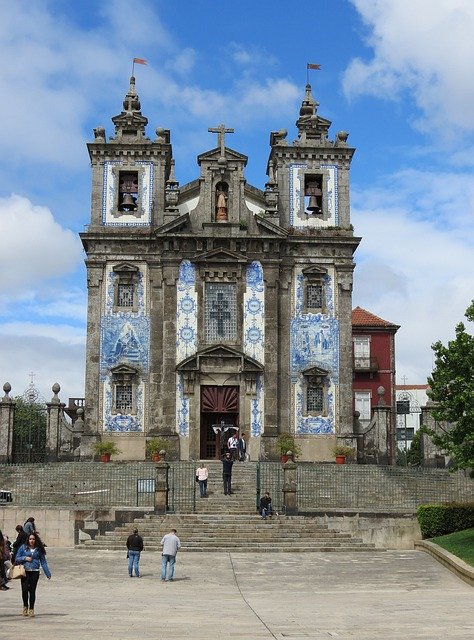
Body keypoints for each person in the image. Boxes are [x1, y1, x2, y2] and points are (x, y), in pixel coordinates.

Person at [15, 532, 51, 617]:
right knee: (24, 590)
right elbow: (17, 558)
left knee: (32, 590)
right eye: (30, 539)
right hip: (25, 571)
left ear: (36, 540)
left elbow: (43, 562)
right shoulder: (23, 547)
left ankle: (31, 609)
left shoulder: (39, 549)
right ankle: (25, 606)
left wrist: (47, 573)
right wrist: (25, 558)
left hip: (34, 571)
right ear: (28, 539)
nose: (31, 541)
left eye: (33, 539)